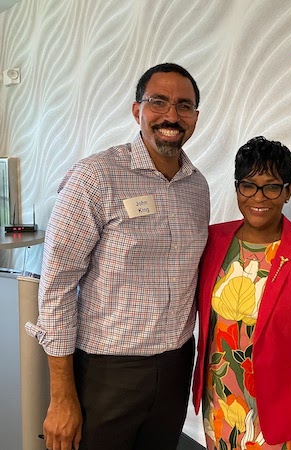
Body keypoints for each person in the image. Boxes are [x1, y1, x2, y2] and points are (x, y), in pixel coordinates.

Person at [25, 63, 210, 450]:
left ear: (195, 116)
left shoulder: (198, 187)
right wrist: (61, 397)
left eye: (184, 105)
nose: (171, 115)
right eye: (158, 102)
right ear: (137, 110)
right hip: (108, 373)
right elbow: (57, 288)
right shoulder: (96, 177)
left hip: (176, 364)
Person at [192, 136, 291, 450]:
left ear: (288, 191)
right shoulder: (210, 241)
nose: (258, 197)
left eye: (272, 186)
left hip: (277, 420)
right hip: (220, 408)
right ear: (237, 188)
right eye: (249, 185)